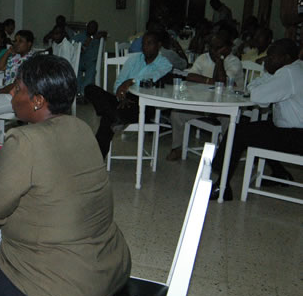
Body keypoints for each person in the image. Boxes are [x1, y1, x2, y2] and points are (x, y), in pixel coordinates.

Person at [0, 55, 131, 296]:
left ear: (37, 100)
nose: (13, 95)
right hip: (109, 269)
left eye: (17, 89)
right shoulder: (81, 128)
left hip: (64, 292)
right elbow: (50, 170)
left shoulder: (25, 140)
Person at [210, 38, 302, 200]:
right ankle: (281, 173)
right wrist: (262, 81)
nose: (267, 60)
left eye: (272, 57)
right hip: (292, 129)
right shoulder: (295, 68)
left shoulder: (288, 73)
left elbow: (258, 96)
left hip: (296, 136)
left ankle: (222, 185)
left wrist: (256, 87)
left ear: (287, 58)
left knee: (238, 132)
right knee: (257, 130)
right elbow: (258, 88)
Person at [85, 31, 172, 157]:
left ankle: (96, 157)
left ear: (159, 45)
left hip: (142, 105)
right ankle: (116, 116)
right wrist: (121, 96)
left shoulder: (165, 64)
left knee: (107, 118)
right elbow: (119, 82)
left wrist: (131, 81)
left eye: (149, 43)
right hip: (122, 99)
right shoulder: (133, 60)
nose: (145, 47)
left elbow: (153, 76)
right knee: (90, 89)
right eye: (143, 44)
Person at [166, 29, 243, 161]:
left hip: (227, 105)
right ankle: (177, 148)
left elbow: (223, 82)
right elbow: (190, 76)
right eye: (211, 47)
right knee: (177, 113)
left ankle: (225, 153)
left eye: (218, 47)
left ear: (228, 47)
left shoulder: (234, 62)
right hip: (204, 103)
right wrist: (210, 81)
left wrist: (219, 61)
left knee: (229, 121)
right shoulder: (203, 58)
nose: (213, 51)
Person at [73, 20, 101, 98]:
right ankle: (77, 92)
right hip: (80, 59)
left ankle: (84, 93)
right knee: (75, 68)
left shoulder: (98, 36)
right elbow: (71, 43)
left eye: (93, 28)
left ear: (96, 29)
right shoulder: (80, 36)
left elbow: (105, 34)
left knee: (91, 71)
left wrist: (92, 38)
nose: (91, 29)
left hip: (91, 61)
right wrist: (84, 44)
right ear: (87, 27)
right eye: (90, 27)